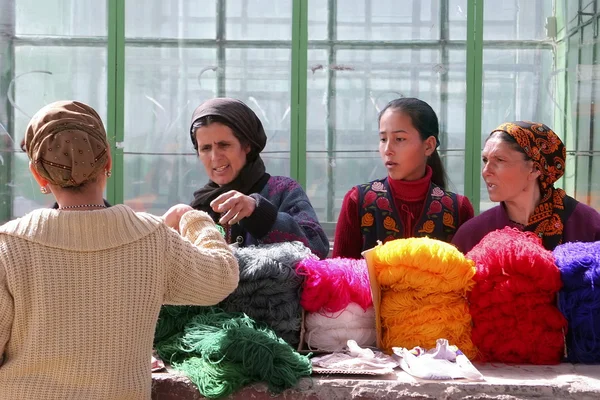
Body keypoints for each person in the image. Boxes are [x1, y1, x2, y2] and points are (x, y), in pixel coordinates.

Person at [0, 101, 239, 399]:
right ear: (108, 162)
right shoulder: (151, 238)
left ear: (38, 176)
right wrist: (192, 218)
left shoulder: (9, 246)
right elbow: (222, 277)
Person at [333, 97, 474, 259]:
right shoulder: (358, 201)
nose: (387, 150)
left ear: (428, 145)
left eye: (399, 139)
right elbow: (339, 276)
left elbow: (466, 276)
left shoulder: (457, 209)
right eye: (383, 139)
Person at [189, 97, 329, 259]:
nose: (214, 157)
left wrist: (260, 213)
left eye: (224, 145)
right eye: (205, 148)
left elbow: (317, 248)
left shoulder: (282, 191)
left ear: (247, 145)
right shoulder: (199, 208)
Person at [452, 121, 600, 254]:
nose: (486, 171)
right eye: (485, 160)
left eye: (500, 160)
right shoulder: (473, 235)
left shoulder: (586, 225)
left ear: (535, 169)